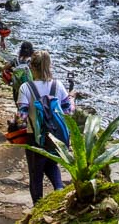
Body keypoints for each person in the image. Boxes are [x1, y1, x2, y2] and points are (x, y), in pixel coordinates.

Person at [16, 50, 75, 204]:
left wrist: (15, 122)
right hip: (56, 138)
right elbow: (68, 111)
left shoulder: (26, 88)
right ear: (49, 66)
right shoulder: (58, 85)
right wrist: (72, 99)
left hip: (35, 137)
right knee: (52, 164)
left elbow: (21, 117)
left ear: (31, 67)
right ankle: (60, 192)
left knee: (36, 175)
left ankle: (38, 208)